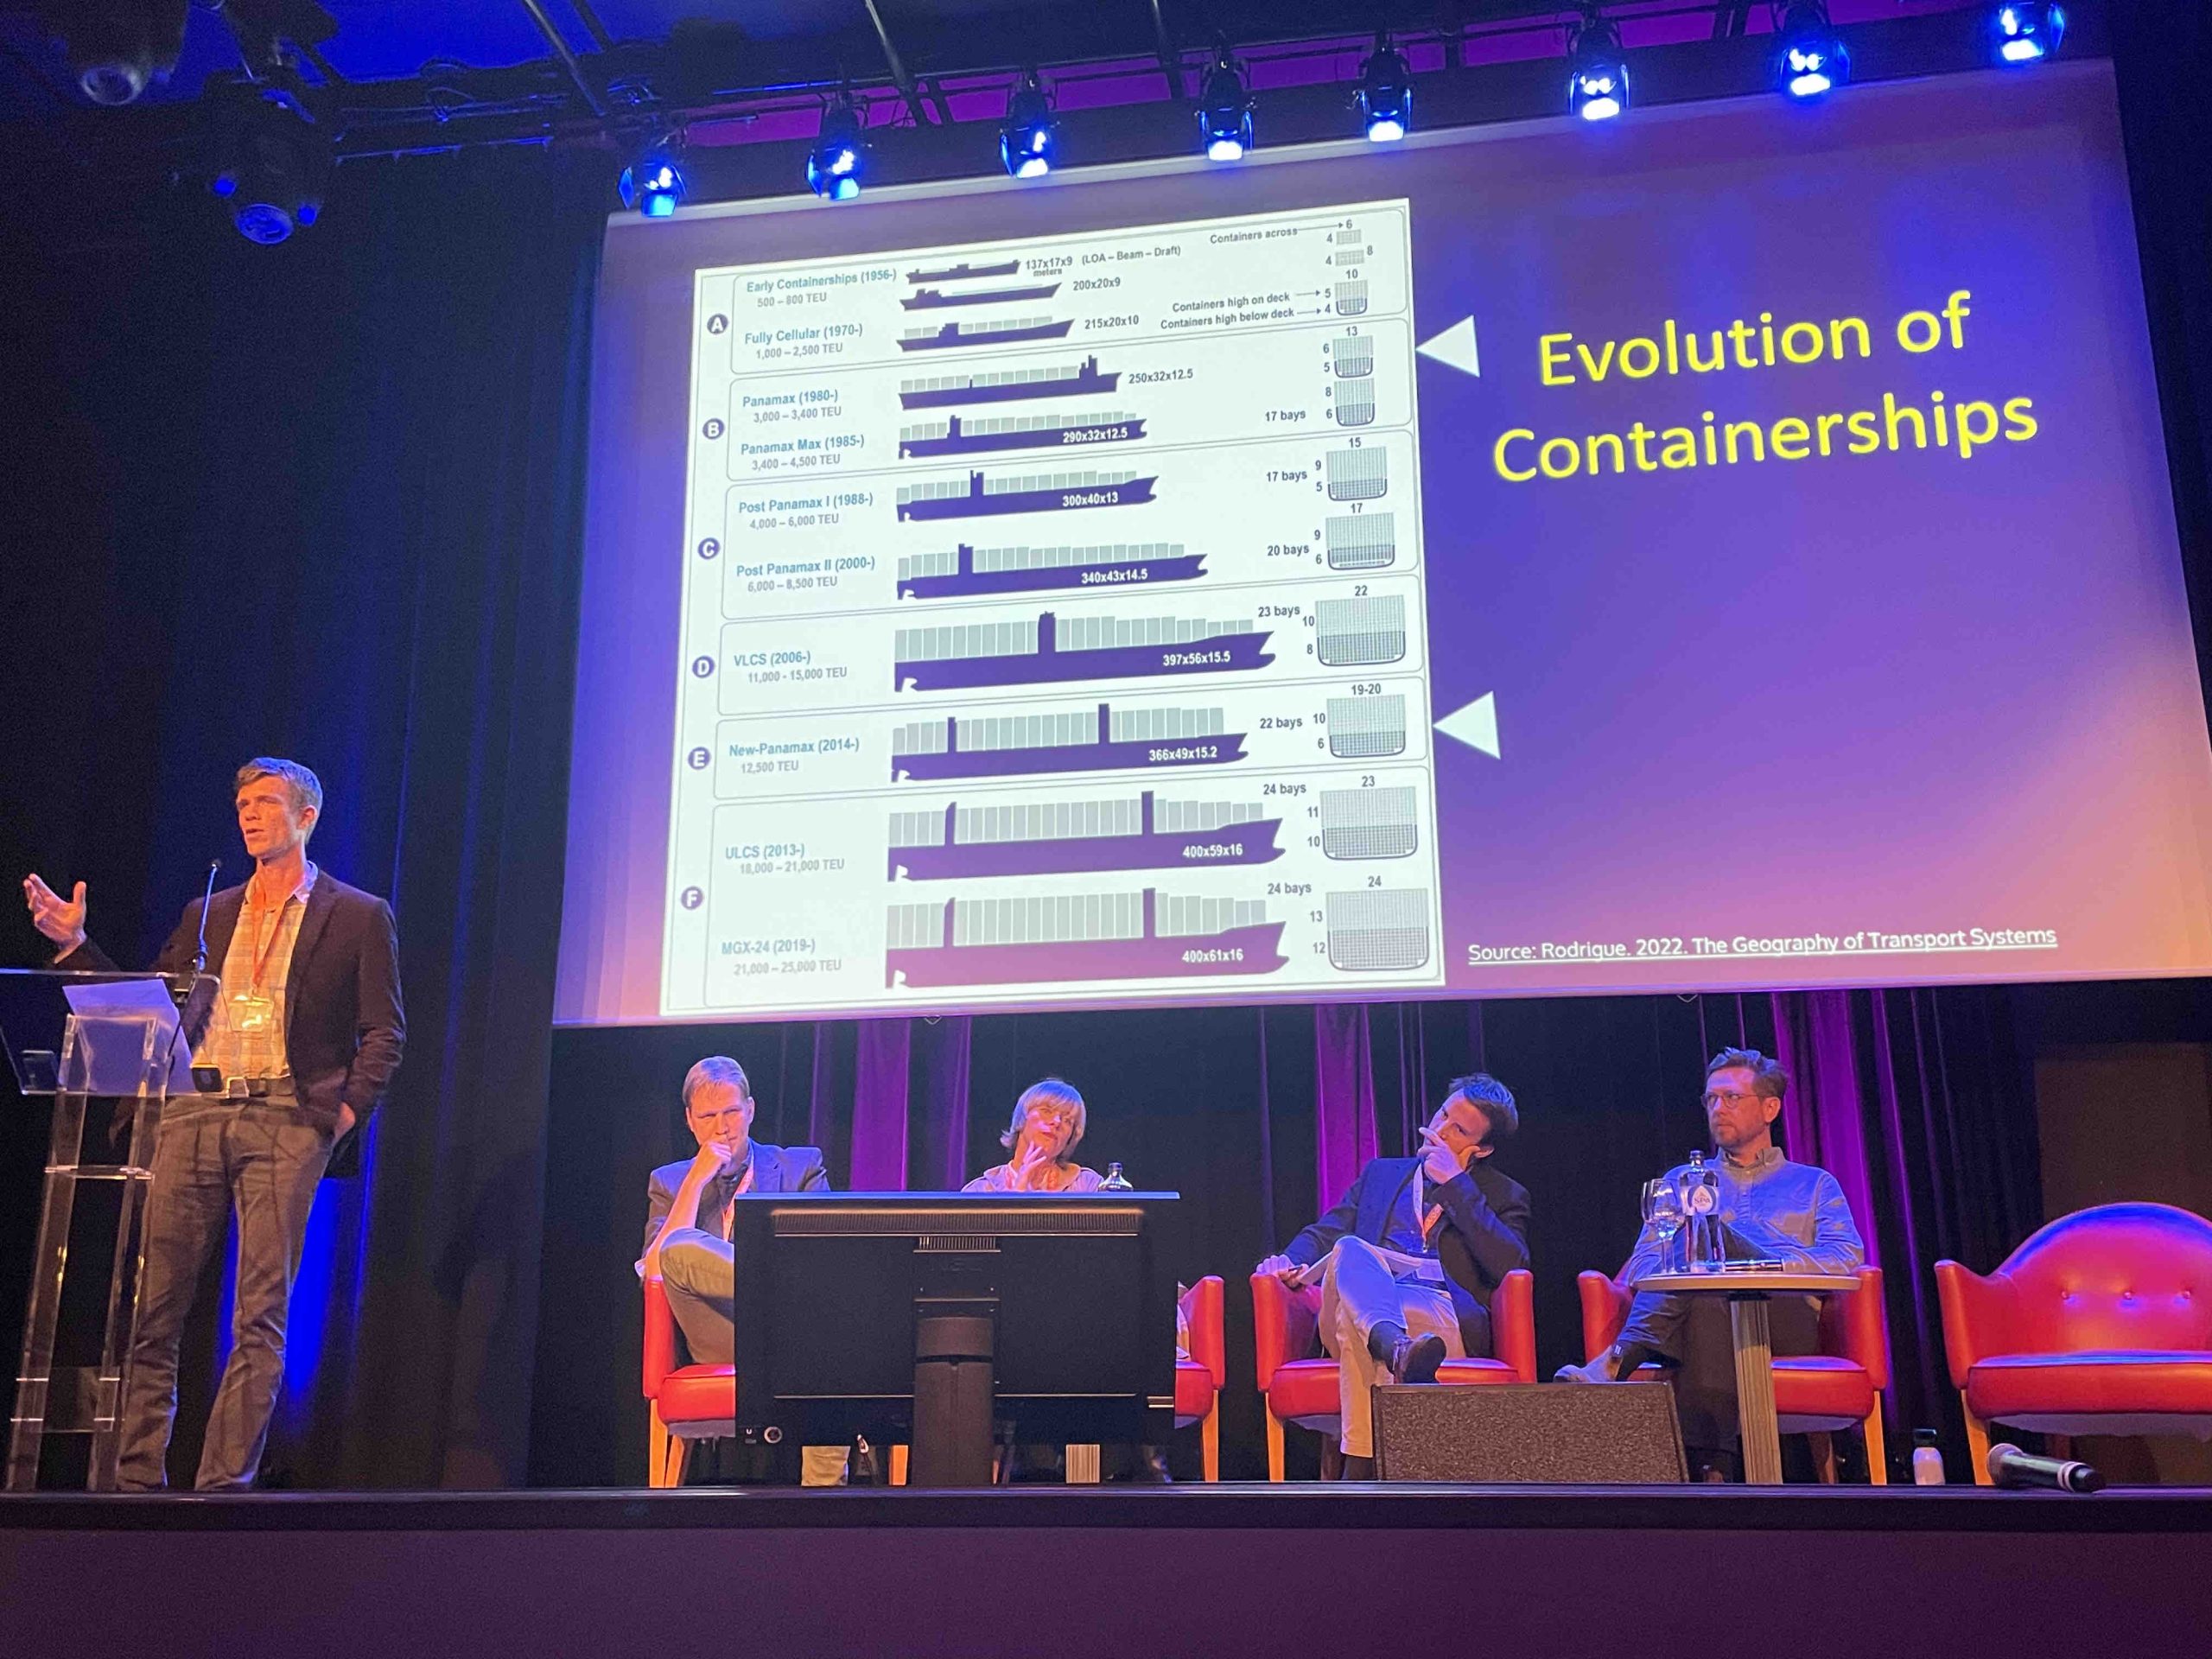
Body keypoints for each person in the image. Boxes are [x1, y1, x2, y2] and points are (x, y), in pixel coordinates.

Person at [21, 757, 404, 1491]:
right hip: (191, 1111)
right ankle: (135, 1484)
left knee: (259, 1317)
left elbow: (385, 1032)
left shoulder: (357, 914)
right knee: (153, 1307)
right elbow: (147, 1012)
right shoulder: (209, 911)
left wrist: (339, 1114)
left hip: (288, 1118)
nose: (250, 815)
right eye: (243, 805)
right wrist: (76, 943)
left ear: (307, 817)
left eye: (266, 803)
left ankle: (221, 1489)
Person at [1554, 1046, 1865, 1478]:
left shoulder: (1813, 1184)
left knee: (1712, 1239)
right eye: (1711, 1099)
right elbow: (1643, 1265)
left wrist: (1753, 1256)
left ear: (1770, 1107)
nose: (1719, 1109)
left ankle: (1619, 1360)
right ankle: (1713, 1469)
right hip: (1701, 1320)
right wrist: (1708, 1261)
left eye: (1732, 1098)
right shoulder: (1683, 1182)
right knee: (1706, 1286)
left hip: (1784, 1318)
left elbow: (1845, 1256)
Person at [1255, 1073, 1531, 1476]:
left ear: (1482, 1149)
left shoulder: (1504, 1195)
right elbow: (1326, 1230)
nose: (1438, 1130)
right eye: (1442, 1115)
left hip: (1438, 1318)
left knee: (1358, 1329)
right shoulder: (1382, 1175)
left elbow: (1510, 1264)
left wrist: (1456, 1184)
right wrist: (1286, 1259)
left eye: (1458, 1130)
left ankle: (1361, 1466)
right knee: (1349, 1248)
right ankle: (1397, 1348)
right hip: (1368, 1295)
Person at [640, 1056, 830, 1363]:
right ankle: (772, 1284)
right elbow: (654, 1273)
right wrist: (695, 1182)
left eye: (732, 1112)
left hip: (790, 1330)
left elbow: (821, 1265)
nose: (722, 1128)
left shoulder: (800, 1168)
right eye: (707, 1117)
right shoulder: (668, 1182)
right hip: (716, 1340)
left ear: (750, 1110)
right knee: (676, 1249)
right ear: (689, 1120)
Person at [963, 1077, 1103, 1193]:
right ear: (1022, 1119)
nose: (1057, 1122)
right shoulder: (978, 1191)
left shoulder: (1089, 1185)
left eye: (1068, 1121)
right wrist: (1017, 1197)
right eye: (1047, 1111)